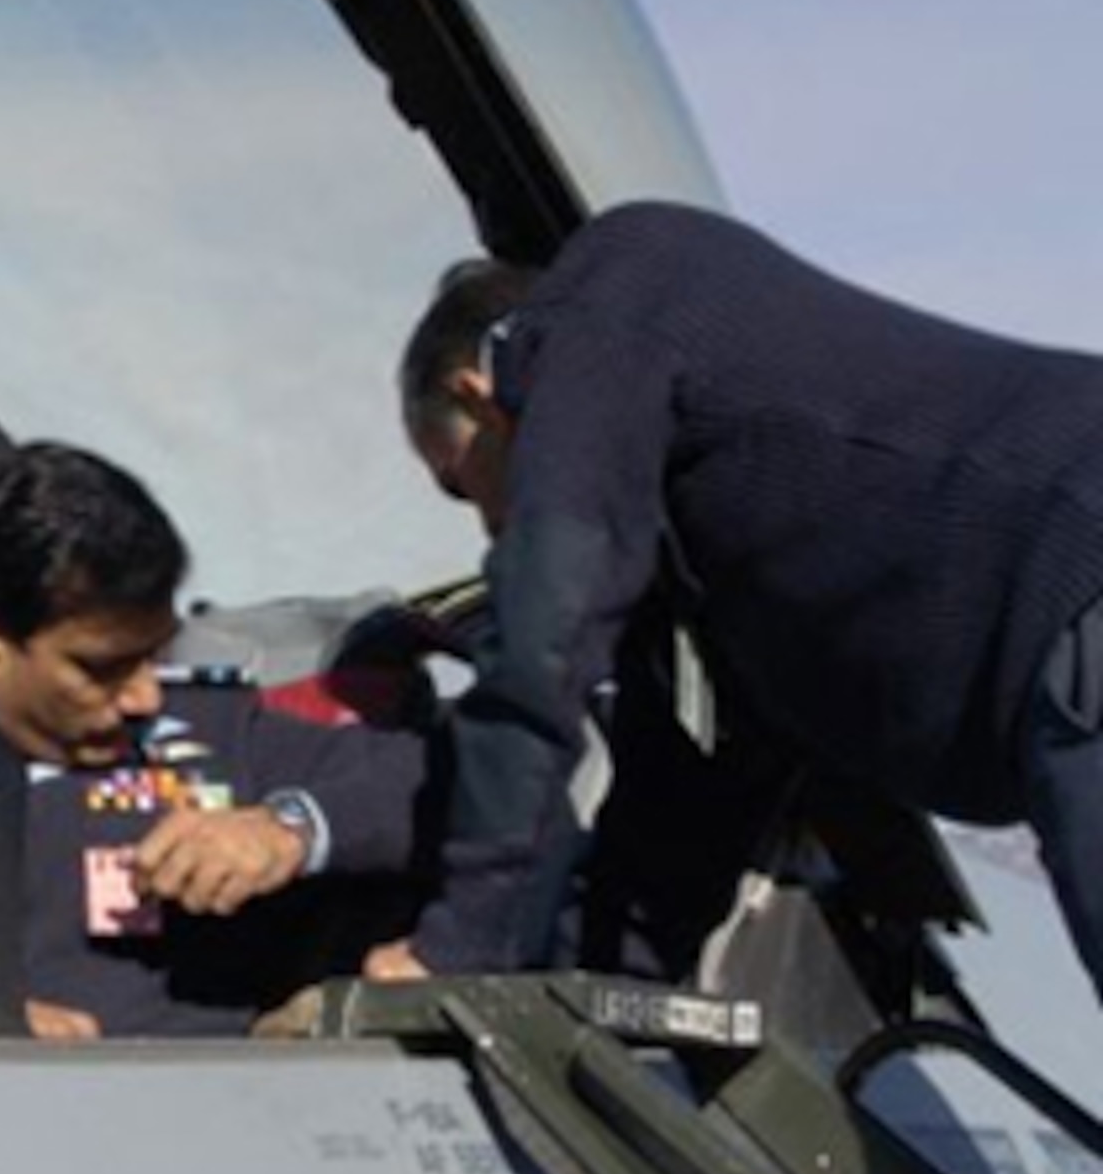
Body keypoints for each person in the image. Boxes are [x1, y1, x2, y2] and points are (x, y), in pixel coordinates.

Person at [376, 198, 1103, 1003]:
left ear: (479, 395)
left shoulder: (610, 293)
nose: (488, 527)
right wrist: (587, 1000)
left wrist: (458, 947)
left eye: (458, 483)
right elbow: (681, 815)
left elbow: (545, 632)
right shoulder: (737, 549)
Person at [0, 441, 435, 1038]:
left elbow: (443, 783)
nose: (145, 698)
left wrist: (293, 827)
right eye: (103, 666)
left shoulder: (211, 735)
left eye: (155, 654)